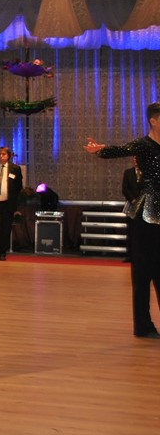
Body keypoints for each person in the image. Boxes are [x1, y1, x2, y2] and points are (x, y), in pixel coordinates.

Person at [85, 103, 160, 339]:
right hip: (147, 211)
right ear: (153, 121)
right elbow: (120, 150)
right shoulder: (144, 144)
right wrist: (100, 149)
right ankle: (143, 325)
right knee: (143, 271)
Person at [121, 157, 142, 263]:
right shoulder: (128, 172)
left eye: (137, 159)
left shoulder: (147, 173)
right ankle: (130, 255)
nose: (136, 161)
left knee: (143, 232)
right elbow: (125, 189)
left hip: (145, 206)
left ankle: (142, 255)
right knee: (131, 231)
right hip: (132, 205)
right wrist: (133, 200)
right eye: (134, 159)